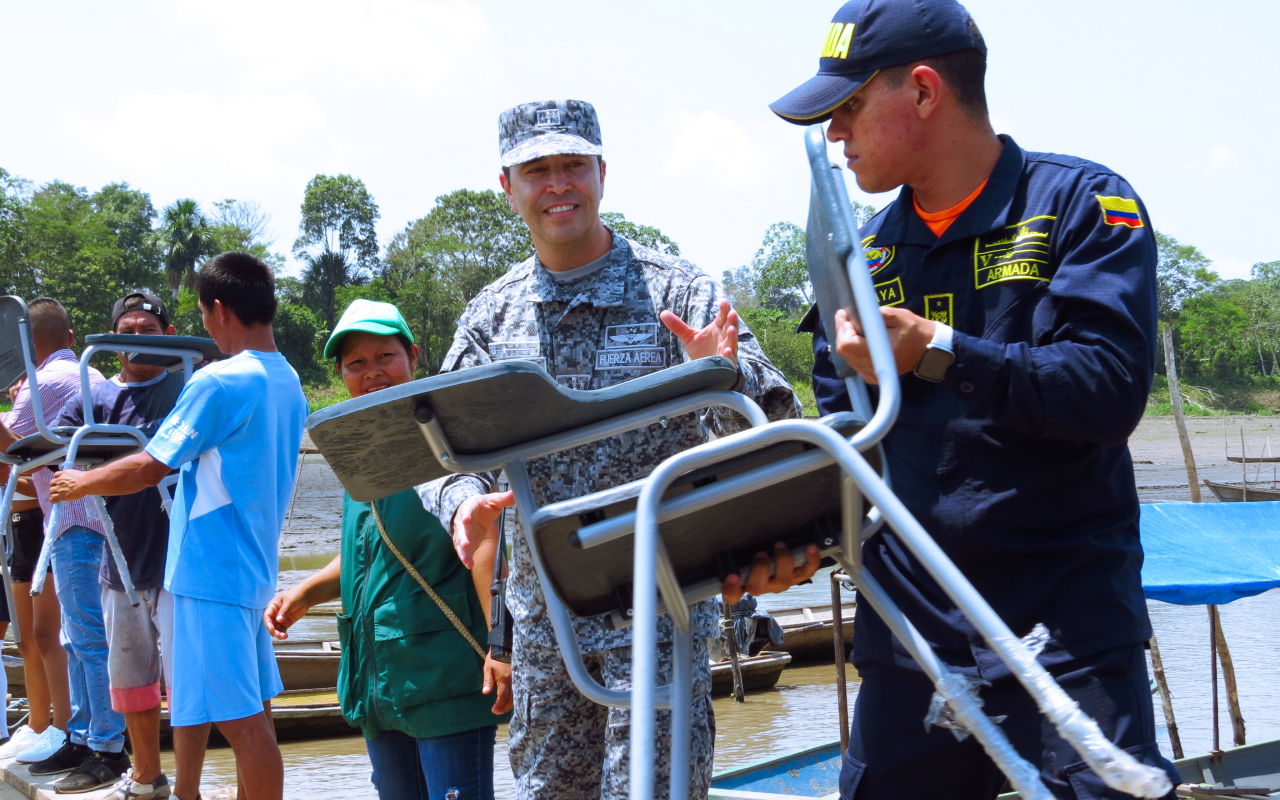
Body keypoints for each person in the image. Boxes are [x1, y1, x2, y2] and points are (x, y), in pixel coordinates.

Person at [765, 1, 1180, 798]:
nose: (833, 135)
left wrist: (939, 353)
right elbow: (845, 451)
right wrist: (781, 546)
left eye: (848, 107)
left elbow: (1106, 391)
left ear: (923, 92)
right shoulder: (860, 257)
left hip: (1069, 633)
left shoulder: (1082, 205)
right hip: (912, 642)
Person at [419, 98, 807, 800]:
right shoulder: (489, 317)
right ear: (508, 189)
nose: (558, 185)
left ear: (603, 173)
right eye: (537, 170)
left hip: (662, 611)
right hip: (543, 633)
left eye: (573, 165)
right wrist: (461, 507)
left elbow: (775, 422)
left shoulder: (679, 293)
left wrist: (722, 375)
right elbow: (436, 450)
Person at [50, 252, 308, 800]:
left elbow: (150, 466)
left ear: (218, 310)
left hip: (210, 572)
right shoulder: (287, 381)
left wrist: (80, 483)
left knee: (244, 725)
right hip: (249, 569)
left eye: (202, 315)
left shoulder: (220, 381)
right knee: (223, 703)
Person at [265, 299, 513, 800]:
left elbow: (483, 539)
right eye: (356, 363)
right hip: (377, 679)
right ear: (340, 373)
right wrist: (307, 592)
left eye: (385, 357)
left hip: (443, 671)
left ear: (413, 358)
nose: (372, 372)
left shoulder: (445, 444)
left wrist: (502, 647)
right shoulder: (358, 455)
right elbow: (367, 557)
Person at [55, 292, 185, 800]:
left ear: (169, 335)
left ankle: (197, 781)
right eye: (125, 330)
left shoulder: (189, 387)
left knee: (186, 679)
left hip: (181, 556)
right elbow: (53, 449)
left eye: (147, 330)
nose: (135, 339)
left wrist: (102, 467)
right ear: (112, 343)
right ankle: (147, 777)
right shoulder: (97, 396)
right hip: (120, 555)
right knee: (130, 679)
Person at [0, 298, 131, 791]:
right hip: (93, 517)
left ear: (22, 349)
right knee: (79, 637)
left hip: (77, 518)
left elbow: (14, 458)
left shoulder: (45, 384)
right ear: (72, 339)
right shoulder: (86, 375)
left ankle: (104, 744)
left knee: (85, 639)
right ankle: (82, 734)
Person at [0, 375, 70, 764]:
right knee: (26, 640)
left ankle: (59, 728)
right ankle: (38, 724)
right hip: (18, 527)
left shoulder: (52, 391)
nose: (19, 386)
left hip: (38, 524)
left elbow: (27, 475)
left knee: (46, 637)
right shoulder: (23, 403)